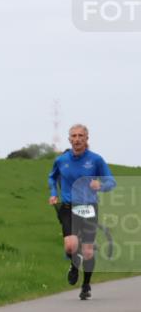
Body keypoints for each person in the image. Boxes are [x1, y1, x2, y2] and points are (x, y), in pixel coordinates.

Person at [47, 124, 116, 300]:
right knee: (70, 245)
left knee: (87, 252)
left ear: (86, 139)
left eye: (80, 136)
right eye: (74, 136)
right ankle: (74, 264)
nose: (77, 139)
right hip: (69, 207)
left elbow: (111, 182)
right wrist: (54, 194)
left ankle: (86, 285)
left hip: (88, 207)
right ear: (69, 139)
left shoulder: (96, 160)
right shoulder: (61, 160)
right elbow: (52, 177)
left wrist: (100, 185)